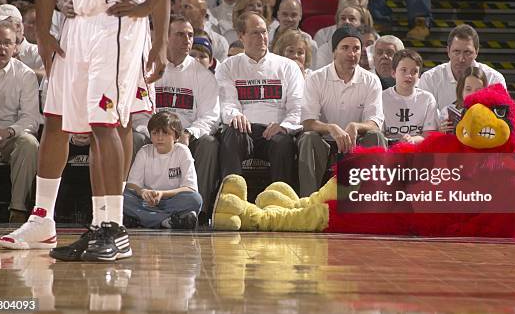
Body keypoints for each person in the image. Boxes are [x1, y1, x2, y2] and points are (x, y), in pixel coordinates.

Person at [0, 0, 186, 263]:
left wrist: (155, 28)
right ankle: (45, 218)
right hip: (77, 24)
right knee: (56, 118)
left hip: (116, 23)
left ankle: (111, 226)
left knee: (110, 123)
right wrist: (43, 27)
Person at [216, 12, 304, 186]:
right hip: (244, 131)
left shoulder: (288, 67)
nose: (262, 37)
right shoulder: (228, 66)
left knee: (283, 142)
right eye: (255, 33)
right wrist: (235, 115)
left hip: (275, 131)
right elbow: (227, 102)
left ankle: (281, 202)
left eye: (264, 32)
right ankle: (231, 196)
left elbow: (298, 107)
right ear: (241, 36)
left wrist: (284, 126)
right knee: (232, 133)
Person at [299, 25, 385, 196]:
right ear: (334, 51)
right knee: (308, 138)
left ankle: (377, 200)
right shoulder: (316, 78)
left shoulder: (371, 80)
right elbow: (308, 122)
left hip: (356, 142)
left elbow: (375, 123)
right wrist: (330, 127)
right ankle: (307, 203)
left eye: (356, 49)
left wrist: (355, 126)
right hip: (324, 142)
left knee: (376, 136)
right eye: (345, 48)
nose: (351, 54)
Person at [155, 17, 220, 218]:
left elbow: (211, 116)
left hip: (186, 135)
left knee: (209, 143)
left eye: (190, 35)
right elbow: (139, 111)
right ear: (165, 37)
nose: (187, 40)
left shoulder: (203, 75)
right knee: (134, 137)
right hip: (153, 133)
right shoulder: (150, 67)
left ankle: (198, 210)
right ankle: (134, 204)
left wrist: (189, 133)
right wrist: (155, 132)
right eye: (180, 34)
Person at [0, 20, 40, 223]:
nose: (1, 47)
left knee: (29, 144)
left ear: (15, 47)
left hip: (8, 139)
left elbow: (31, 119)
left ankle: (18, 211)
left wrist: (8, 132)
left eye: (7, 43)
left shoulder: (25, 75)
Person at [124, 111, 202, 229]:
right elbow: (131, 185)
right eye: (155, 133)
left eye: (165, 133)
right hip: (146, 201)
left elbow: (190, 188)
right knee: (122, 195)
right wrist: (143, 192)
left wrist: (162, 194)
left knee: (195, 200)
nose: (159, 138)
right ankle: (167, 221)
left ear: (176, 136)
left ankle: (145, 218)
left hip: (172, 201)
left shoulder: (182, 151)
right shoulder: (144, 151)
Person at [417, 24, 506, 111]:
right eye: (456, 52)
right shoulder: (429, 79)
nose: (461, 59)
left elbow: (503, 118)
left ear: (476, 52)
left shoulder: (494, 79)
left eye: (467, 52)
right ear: (448, 51)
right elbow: (421, 117)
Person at [381, 50, 437, 145]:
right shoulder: (382, 97)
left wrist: (412, 140)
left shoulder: (427, 99)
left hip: (417, 151)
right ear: (393, 73)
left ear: (419, 75)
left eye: (414, 71)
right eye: (403, 70)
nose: (409, 76)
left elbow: (428, 134)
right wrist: (396, 142)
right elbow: (379, 133)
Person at [439, 66, 489, 134]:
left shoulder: (492, 112)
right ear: (461, 89)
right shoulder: (447, 112)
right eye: (468, 89)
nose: (473, 94)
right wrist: (441, 132)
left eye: (478, 90)